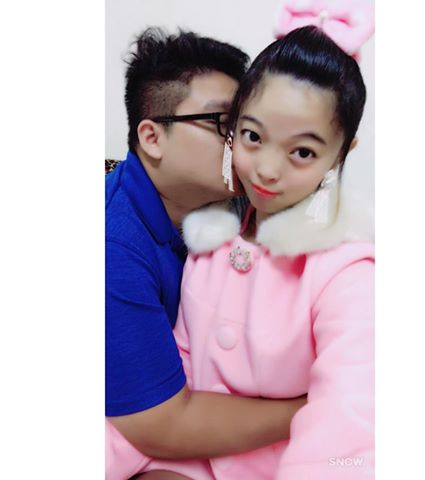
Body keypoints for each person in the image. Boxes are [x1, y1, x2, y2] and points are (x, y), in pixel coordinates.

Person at [147, 24, 375, 479]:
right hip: (189, 457)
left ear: (340, 154)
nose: (267, 169)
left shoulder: (348, 273)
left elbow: (351, 418)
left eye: (302, 152)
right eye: (253, 137)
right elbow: (175, 370)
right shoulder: (210, 242)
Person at [106, 28, 307, 480]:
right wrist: (316, 407)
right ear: (152, 137)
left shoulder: (236, 202)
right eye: (223, 124)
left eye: (247, 125)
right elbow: (159, 425)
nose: (245, 143)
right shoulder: (112, 249)